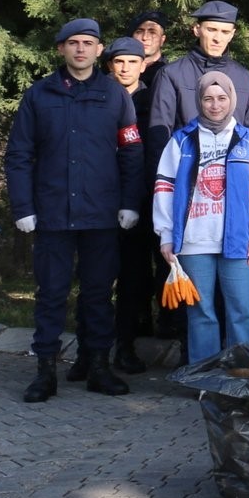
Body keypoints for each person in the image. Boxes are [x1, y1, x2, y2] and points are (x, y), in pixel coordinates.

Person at [5, 19, 143, 403]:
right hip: (52, 214)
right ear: (61, 49)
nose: (81, 49)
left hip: (101, 214)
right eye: (73, 43)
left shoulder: (116, 96)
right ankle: (45, 371)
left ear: (100, 51)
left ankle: (98, 367)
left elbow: (132, 153)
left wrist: (130, 203)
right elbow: (18, 154)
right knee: (50, 293)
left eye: (88, 43)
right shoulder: (39, 95)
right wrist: (23, 207)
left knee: (99, 294)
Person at [152, 70, 249, 364]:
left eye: (221, 98)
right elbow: (164, 188)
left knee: (241, 309)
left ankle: (246, 374)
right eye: (208, 99)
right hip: (193, 241)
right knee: (201, 311)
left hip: (238, 242)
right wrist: (166, 233)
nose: (215, 105)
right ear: (199, 101)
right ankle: (205, 376)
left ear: (231, 100)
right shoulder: (181, 141)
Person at [145, 0, 249, 174]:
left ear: (232, 34)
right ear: (197, 29)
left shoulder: (243, 77)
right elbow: (159, 138)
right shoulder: (171, 74)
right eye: (211, 29)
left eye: (224, 32)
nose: (217, 38)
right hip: (184, 176)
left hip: (233, 177)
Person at [102, 35, 156, 374]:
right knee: (98, 276)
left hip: (144, 197)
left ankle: (126, 345)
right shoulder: (99, 96)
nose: (125, 68)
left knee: (135, 276)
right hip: (103, 197)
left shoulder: (154, 100)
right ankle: (91, 348)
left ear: (144, 64)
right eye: (119, 62)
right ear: (110, 65)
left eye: (132, 62)